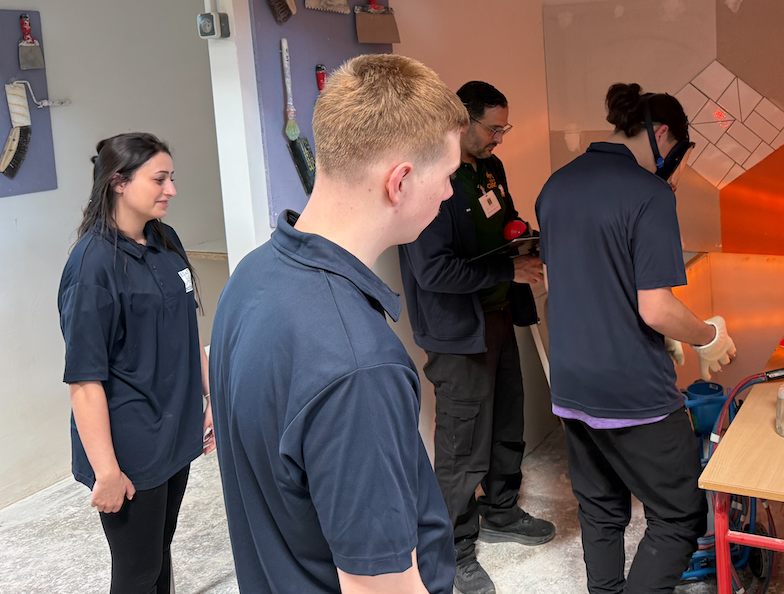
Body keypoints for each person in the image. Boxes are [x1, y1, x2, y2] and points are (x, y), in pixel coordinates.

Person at [210, 55, 466, 594]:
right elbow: (379, 586)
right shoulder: (359, 366)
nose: (449, 193)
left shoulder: (252, 276)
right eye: (447, 176)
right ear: (400, 181)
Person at [535, 83, 737, 594]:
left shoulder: (555, 186)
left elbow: (561, 286)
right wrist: (706, 336)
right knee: (679, 514)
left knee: (601, 509)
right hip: (631, 391)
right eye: (678, 154)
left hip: (570, 383)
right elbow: (657, 307)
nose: (674, 166)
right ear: (662, 134)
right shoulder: (649, 194)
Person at [399, 81, 553, 594]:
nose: (499, 139)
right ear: (462, 121)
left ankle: (501, 511)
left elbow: (503, 219)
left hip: (499, 316)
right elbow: (433, 272)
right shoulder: (430, 180)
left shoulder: (490, 168)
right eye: (494, 129)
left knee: (508, 418)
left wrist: (522, 235)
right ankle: (453, 550)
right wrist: (508, 271)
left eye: (504, 129)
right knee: (461, 444)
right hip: (457, 331)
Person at [58, 132, 214, 594]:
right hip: (129, 447)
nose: (172, 190)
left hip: (175, 431)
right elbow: (84, 380)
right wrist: (107, 471)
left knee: (159, 554)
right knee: (138, 571)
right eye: (160, 179)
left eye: (172, 178)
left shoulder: (165, 240)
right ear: (119, 182)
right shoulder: (92, 266)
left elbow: (188, 332)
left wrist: (211, 398)